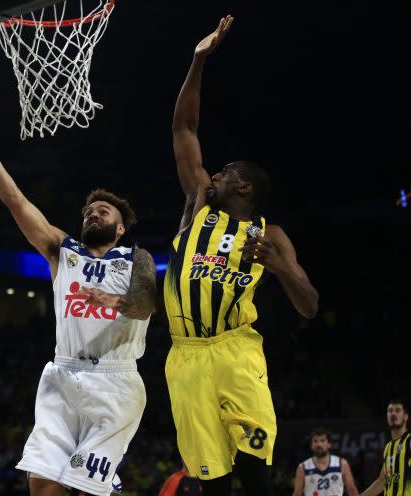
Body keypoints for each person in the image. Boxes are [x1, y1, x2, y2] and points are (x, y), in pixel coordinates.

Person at [0, 109, 157, 496]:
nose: (93, 213)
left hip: (115, 380)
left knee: (90, 490)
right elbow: (14, 200)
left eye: (103, 211)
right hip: (62, 374)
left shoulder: (136, 258)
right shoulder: (62, 252)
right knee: (41, 486)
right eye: (89, 211)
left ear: (121, 227)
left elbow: (145, 305)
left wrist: (112, 298)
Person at [165, 15, 319, 496]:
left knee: (254, 466)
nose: (219, 171)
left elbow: (309, 306)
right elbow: (184, 127)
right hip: (185, 354)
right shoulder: (199, 204)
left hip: (234, 347)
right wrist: (198, 60)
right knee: (212, 480)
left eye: (228, 170)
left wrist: (279, 269)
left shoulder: (269, 233)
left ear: (244, 187)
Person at [360, 399, 410, 496]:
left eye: (398, 410)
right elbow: (382, 481)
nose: (393, 413)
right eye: (390, 411)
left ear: (405, 417)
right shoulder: (388, 447)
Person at [292, 427, 359, 496]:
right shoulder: (302, 467)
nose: (319, 444)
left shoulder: (342, 464)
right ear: (311, 445)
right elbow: (297, 494)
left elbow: (352, 491)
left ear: (329, 444)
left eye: (322, 441)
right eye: (315, 441)